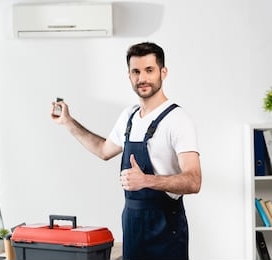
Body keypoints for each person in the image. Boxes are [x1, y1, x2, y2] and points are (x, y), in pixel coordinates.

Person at [50, 42, 201, 260]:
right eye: (136, 72)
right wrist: (68, 122)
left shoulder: (178, 120)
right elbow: (103, 150)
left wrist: (147, 180)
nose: (142, 78)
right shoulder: (128, 116)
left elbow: (194, 181)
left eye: (149, 70)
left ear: (163, 72)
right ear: (129, 75)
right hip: (132, 225)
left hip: (166, 227)